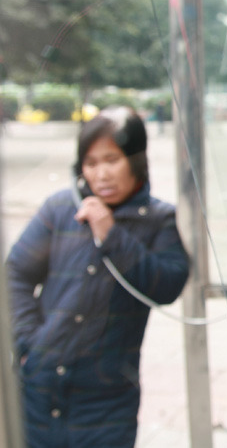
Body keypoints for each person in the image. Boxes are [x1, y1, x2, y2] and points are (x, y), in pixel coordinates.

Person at [7, 106, 190, 447]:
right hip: (40, 389)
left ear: (136, 160)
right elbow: (15, 273)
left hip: (107, 398)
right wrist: (28, 341)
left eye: (112, 160)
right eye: (91, 163)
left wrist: (112, 235)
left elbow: (168, 285)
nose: (102, 174)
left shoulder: (159, 220)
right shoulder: (61, 209)